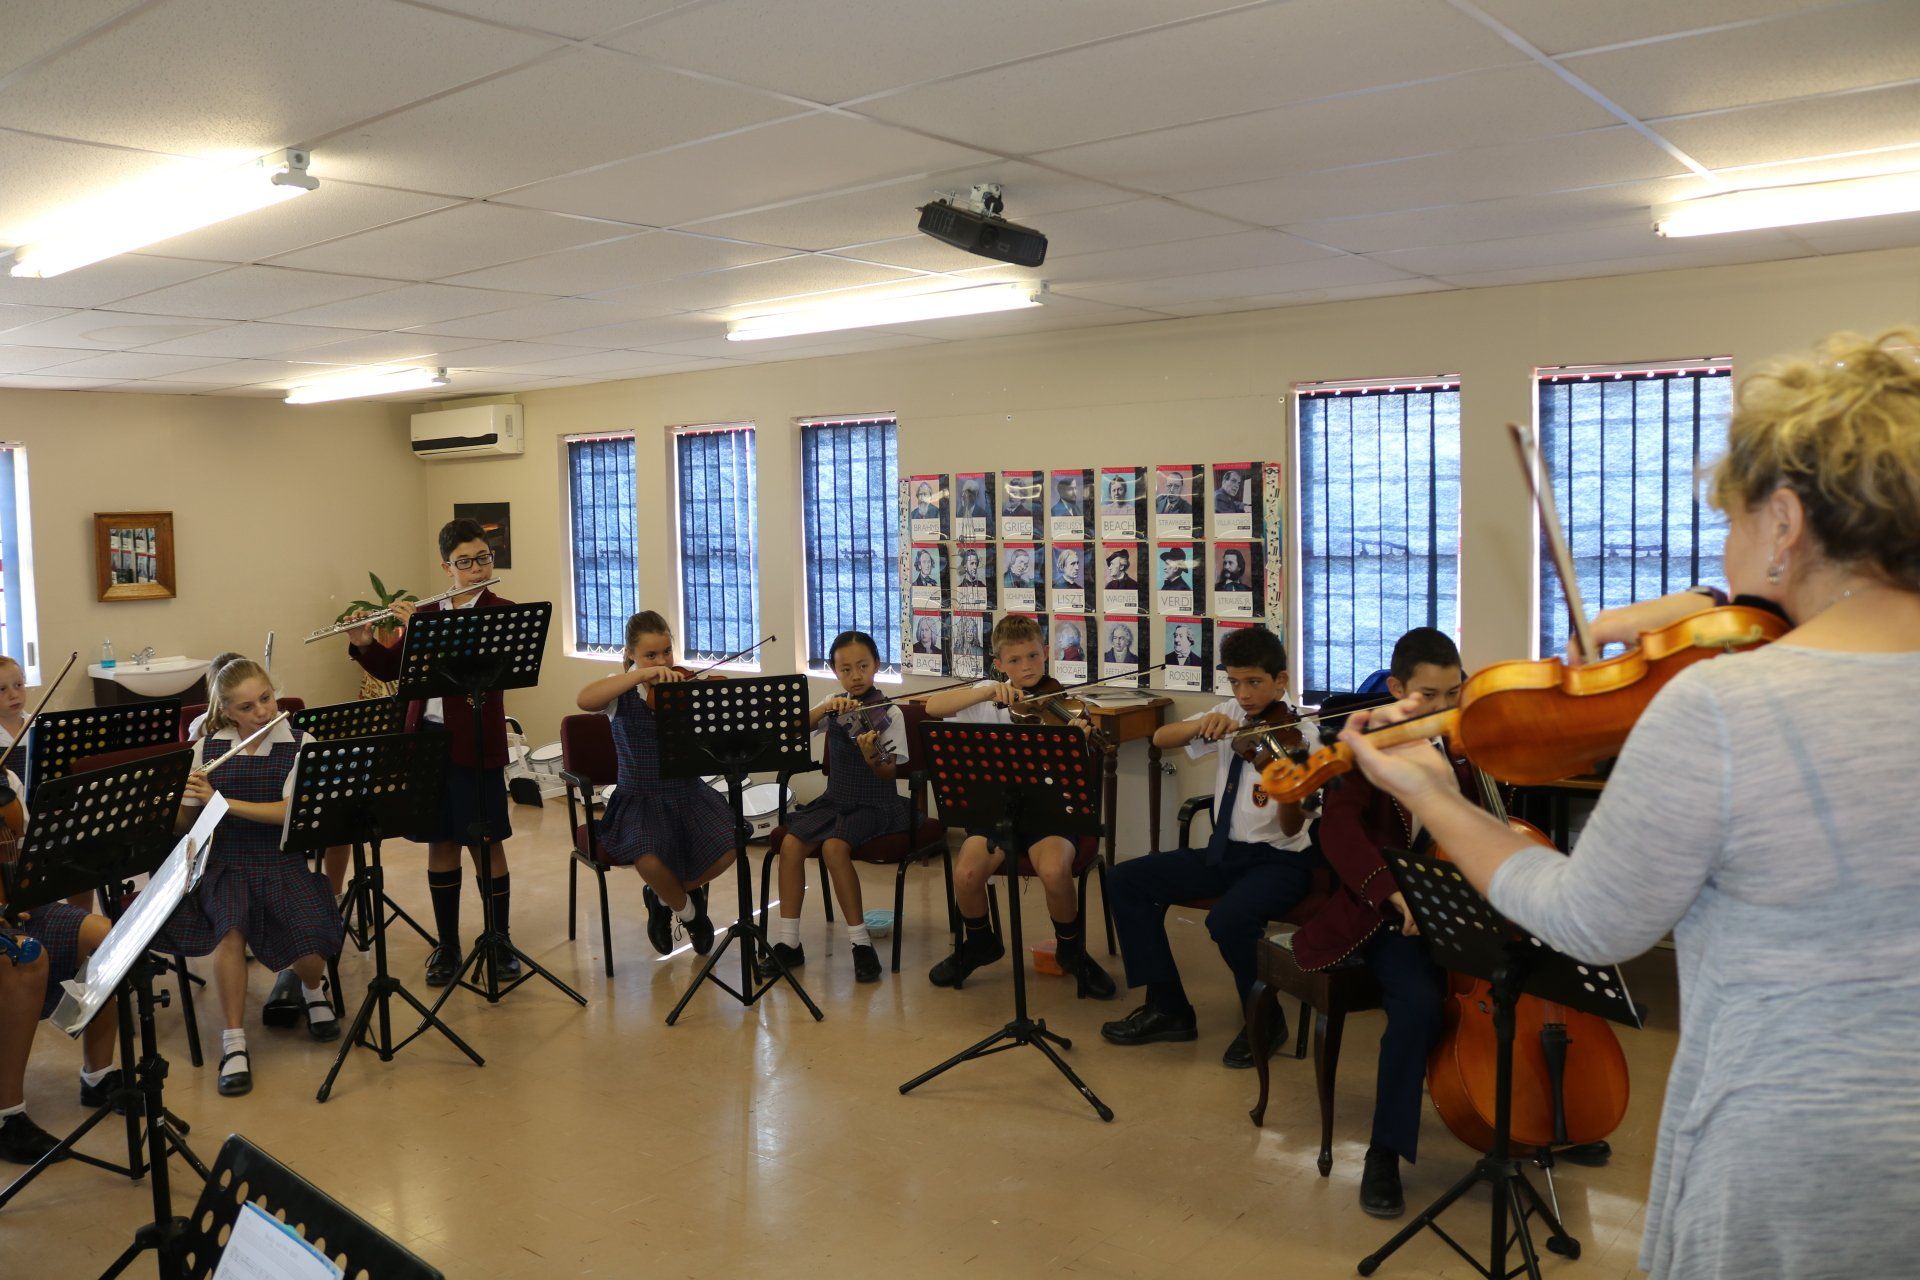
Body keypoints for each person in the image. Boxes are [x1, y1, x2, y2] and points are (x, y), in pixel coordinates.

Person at [1339, 330, 1920, 1273]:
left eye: (1730, 520)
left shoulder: (1731, 705)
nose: (1728, 550)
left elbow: (1587, 920)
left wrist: (1435, 799)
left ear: (1784, 523)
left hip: (1803, 1154)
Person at [1283, 627, 1464, 1216]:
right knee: (1416, 1004)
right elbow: (1339, 830)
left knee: (1539, 975)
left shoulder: (1463, 748)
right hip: (1389, 916)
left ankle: (1544, 1118)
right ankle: (1385, 1152)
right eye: (1429, 695)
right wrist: (1394, 895)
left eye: (1453, 694)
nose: (1443, 709)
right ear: (1395, 688)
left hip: (1462, 909)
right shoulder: (1362, 749)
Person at [1102, 627, 1315, 1066]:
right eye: (1235, 681)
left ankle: (1265, 1017)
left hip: (1282, 862)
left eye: (1254, 682)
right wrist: (1201, 724)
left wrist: (1288, 782)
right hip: (1225, 853)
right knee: (1126, 879)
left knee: (1228, 920)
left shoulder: (1304, 737)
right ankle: (1169, 1007)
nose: (1244, 693)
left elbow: (1294, 829)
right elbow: (1161, 739)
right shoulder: (1229, 713)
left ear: (1281, 680)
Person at [157, 658, 343, 1096]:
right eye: (247, 707)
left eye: (266, 699)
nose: (261, 712)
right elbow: (184, 827)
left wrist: (221, 801)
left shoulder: (300, 744)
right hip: (226, 863)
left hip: (280, 859)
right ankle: (234, 1041)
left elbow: (289, 814)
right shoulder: (207, 749)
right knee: (230, 932)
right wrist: (186, 801)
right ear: (226, 711)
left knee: (311, 938)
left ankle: (314, 989)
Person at [347, 519, 518, 989]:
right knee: (441, 841)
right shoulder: (430, 609)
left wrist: (419, 625)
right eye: (466, 562)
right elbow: (393, 666)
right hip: (427, 741)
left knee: (486, 844)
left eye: (484, 558)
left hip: (477, 742)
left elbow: (471, 662)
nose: (479, 568)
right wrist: (363, 646)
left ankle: (499, 939)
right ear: (448, 567)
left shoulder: (501, 609)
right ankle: (447, 944)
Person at [923, 615, 1116, 998]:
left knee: (1055, 870)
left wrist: (1079, 738)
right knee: (965, 874)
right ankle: (980, 942)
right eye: (1014, 661)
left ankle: (1070, 950)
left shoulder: (1066, 705)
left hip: (1052, 813)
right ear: (999, 665)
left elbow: (1080, 767)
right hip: (998, 813)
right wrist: (985, 692)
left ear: (1046, 652)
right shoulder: (985, 698)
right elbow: (932, 706)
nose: (1026, 666)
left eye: (1032, 655)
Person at [575, 612, 736, 957]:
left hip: (688, 793)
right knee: (647, 859)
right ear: (632, 654)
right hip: (640, 798)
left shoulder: (683, 686)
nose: (662, 661)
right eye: (651, 655)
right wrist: (642, 676)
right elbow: (585, 700)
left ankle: (663, 897)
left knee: (729, 847)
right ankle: (691, 914)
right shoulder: (622, 692)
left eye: (666, 652)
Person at [770, 632, 909, 985]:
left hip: (876, 803)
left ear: (876, 664)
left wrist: (872, 755)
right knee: (790, 844)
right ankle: (789, 942)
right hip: (836, 800)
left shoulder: (888, 712)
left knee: (834, 848)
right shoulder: (834, 702)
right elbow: (794, 728)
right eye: (845, 669)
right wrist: (825, 707)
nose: (856, 675)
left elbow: (889, 770)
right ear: (835, 671)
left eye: (863, 666)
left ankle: (861, 945)